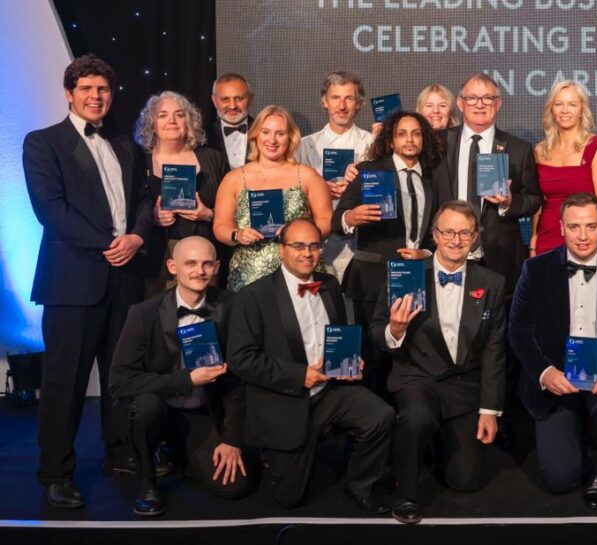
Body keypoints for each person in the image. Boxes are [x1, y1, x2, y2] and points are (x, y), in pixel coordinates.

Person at [22, 54, 153, 509]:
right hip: (73, 281)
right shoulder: (43, 142)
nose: (96, 97)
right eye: (86, 89)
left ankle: (120, 453)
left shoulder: (126, 145)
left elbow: (145, 200)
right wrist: (109, 243)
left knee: (121, 375)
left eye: (103, 89)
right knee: (65, 382)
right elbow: (50, 209)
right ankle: (55, 473)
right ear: (69, 93)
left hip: (125, 276)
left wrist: (136, 237)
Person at [227, 218, 396, 510]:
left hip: (330, 392)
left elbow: (339, 334)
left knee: (381, 415)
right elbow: (241, 359)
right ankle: (282, 452)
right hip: (285, 397)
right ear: (281, 250)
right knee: (289, 498)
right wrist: (299, 375)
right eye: (299, 246)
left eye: (314, 246)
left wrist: (348, 361)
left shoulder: (329, 284)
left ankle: (362, 485)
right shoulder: (253, 297)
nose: (308, 253)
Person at [510, 193, 597, 509]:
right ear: (561, 227)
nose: (583, 236)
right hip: (556, 378)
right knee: (559, 481)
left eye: (591, 226)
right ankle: (574, 436)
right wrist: (545, 372)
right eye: (574, 227)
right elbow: (518, 332)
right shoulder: (535, 269)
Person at [371, 201, 507, 524]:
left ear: (475, 237)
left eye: (464, 233)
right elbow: (376, 332)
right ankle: (406, 493)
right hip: (418, 378)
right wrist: (395, 330)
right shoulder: (406, 275)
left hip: (463, 385)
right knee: (417, 419)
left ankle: (434, 448)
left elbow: (494, 349)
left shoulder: (492, 283)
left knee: (465, 481)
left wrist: (490, 409)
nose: (456, 240)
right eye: (448, 232)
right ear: (434, 235)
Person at [109, 236, 251, 516]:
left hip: (202, 412)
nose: (199, 271)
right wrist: (186, 380)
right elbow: (120, 381)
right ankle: (147, 480)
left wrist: (231, 439)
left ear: (217, 267)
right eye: (191, 263)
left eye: (207, 264)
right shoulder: (143, 313)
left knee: (235, 486)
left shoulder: (231, 306)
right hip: (157, 409)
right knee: (147, 404)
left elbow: (239, 379)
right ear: (173, 267)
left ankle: (182, 453)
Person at [333, 111, 440, 384]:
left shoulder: (432, 178)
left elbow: (434, 230)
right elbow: (336, 221)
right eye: (401, 134)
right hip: (371, 280)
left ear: (424, 139)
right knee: (371, 361)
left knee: (409, 356)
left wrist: (426, 252)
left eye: (416, 134)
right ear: (391, 140)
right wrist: (350, 217)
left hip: (415, 280)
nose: (409, 140)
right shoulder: (369, 171)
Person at [431, 73, 542, 291]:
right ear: (460, 103)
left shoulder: (519, 148)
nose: (480, 104)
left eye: (488, 98)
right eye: (472, 98)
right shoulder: (437, 144)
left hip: (499, 258)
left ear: (498, 103)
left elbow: (534, 200)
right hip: (446, 254)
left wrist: (509, 203)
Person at [213, 105, 333, 291]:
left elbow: (327, 221)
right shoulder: (234, 178)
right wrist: (238, 234)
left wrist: (298, 234)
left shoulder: (307, 175)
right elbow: (221, 226)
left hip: (300, 271)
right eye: (266, 132)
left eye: (280, 133)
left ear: (290, 137)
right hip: (249, 276)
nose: (272, 140)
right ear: (256, 135)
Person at [134, 91, 225, 295]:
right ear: (151, 124)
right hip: (156, 258)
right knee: (158, 311)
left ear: (189, 121)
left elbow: (233, 209)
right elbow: (128, 207)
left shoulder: (213, 158)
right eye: (162, 115)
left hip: (203, 256)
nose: (172, 121)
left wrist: (209, 214)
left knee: (204, 310)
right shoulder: (138, 160)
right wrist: (150, 217)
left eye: (179, 114)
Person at [295, 72, 375, 281]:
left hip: (360, 246)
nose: (342, 106)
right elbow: (291, 196)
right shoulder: (304, 146)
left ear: (359, 103)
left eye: (349, 98)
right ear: (324, 102)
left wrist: (358, 188)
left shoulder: (374, 145)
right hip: (315, 246)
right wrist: (319, 191)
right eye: (335, 98)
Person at [529, 80, 597, 255]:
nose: (565, 110)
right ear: (551, 109)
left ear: (582, 110)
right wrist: (533, 242)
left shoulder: (596, 148)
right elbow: (538, 205)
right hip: (546, 240)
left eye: (572, 104)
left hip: (584, 242)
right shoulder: (540, 151)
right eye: (558, 104)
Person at [207, 73, 255, 173]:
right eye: (225, 99)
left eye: (239, 98)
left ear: (250, 99)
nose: (232, 106)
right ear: (214, 101)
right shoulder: (202, 136)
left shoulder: (263, 131)